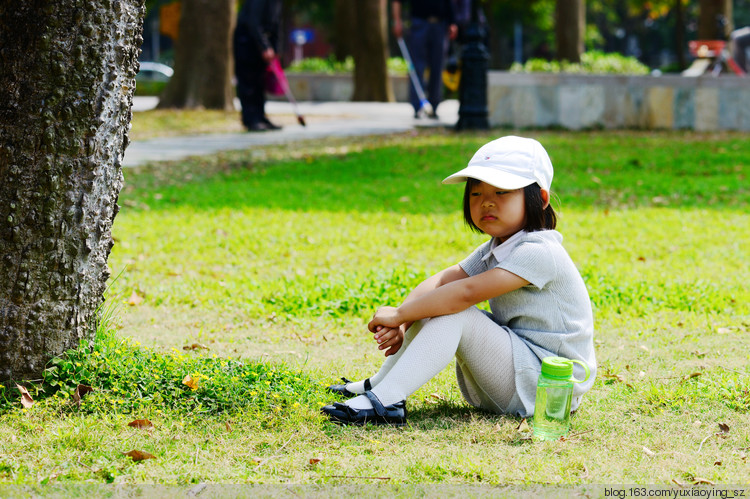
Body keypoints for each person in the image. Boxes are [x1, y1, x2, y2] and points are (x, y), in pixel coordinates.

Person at [321, 136, 597, 426]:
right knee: (436, 304)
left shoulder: (540, 251)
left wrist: (402, 313)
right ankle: (379, 384)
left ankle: (386, 402)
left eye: (502, 191)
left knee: (456, 311)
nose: (487, 202)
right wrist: (402, 321)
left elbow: (464, 293)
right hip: (521, 373)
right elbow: (442, 281)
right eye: (476, 193)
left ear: (540, 199)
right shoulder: (497, 248)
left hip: (547, 389)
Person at [392, 0, 458, 119]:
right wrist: (397, 21)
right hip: (419, 23)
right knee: (417, 66)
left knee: (437, 66)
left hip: (440, 24)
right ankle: (418, 106)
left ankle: (434, 104)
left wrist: (452, 22)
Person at [233, 0, 282, 132]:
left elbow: (275, 23)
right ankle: (251, 119)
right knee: (248, 83)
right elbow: (253, 22)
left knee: (260, 82)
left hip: (261, 45)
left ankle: (260, 117)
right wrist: (264, 46)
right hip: (247, 43)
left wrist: (275, 48)